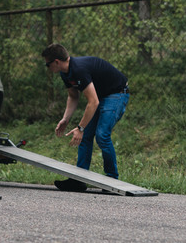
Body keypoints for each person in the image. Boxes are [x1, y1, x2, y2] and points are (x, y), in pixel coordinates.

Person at [42, 43, 129, 191]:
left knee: (102, 135)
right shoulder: (65, 73)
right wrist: (66, 119)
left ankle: (112, 180)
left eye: (47, 64)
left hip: (117, 93)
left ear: (56, 62)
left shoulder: (79, 69)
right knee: (86, 136)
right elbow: (73, 96)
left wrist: (80, 128)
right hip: (101, 96)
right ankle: (79, 180)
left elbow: (93, 102)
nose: (47, 68)